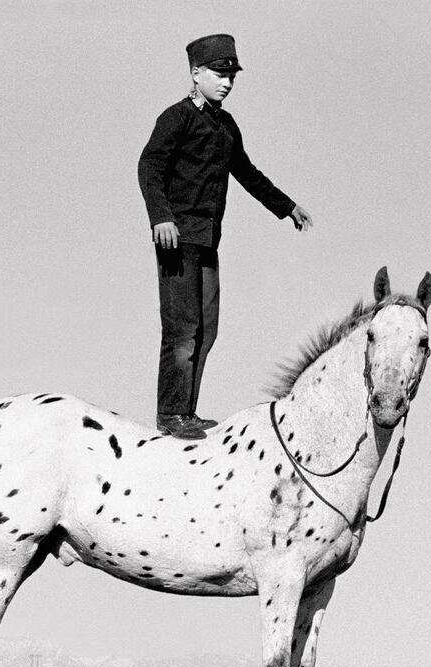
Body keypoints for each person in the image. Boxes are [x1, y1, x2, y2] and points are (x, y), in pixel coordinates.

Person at [138, 33, 312, 440]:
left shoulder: (225, 125)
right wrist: (160, 218)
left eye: (231, 75)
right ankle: (170, 415)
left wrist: (286, 207)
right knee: (182, 331)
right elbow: (150, 167)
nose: (227, 82)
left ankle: (187, 412)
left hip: (207, 241)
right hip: (176, 239)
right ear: (196, 73)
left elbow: (247, 173)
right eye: (219, 73)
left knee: (206, 329)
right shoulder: (176, 117)